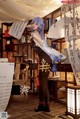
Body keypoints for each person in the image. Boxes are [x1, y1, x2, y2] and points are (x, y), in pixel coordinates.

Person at [29, 17, 66, 112]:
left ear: (40, 25)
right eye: (33, 23)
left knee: (43, 83)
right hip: (45, 58)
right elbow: (42, 47)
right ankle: (44, 105)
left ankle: (44, 105)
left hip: (45, 59)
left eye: (36, 24)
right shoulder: (39, 32)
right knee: (43, 82)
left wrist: (34, 38)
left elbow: (42, 44)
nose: (34, 25)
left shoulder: (36, 33)